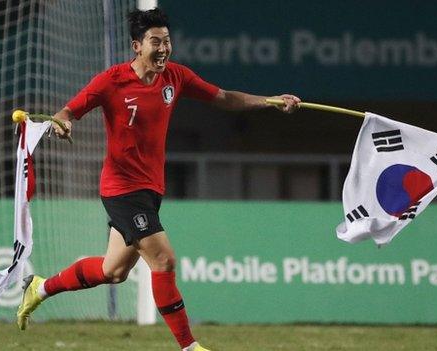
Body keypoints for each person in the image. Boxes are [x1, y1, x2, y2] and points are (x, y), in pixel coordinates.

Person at [16, 7, 300, 351]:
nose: (163, 48)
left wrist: (270, 101)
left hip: (150, 191)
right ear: (137, 46)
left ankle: (40, 288)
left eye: (167, 41)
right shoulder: (112, 80)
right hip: (121, 190)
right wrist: (62, 123)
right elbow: (67, 112)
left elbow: (223, 97)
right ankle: (189, 347)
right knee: (163, 259)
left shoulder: (175, 77)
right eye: (155, 41)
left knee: (113, 271)